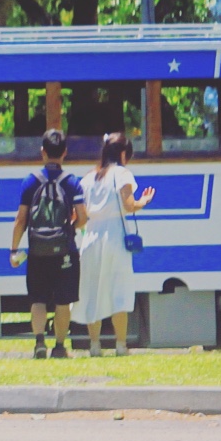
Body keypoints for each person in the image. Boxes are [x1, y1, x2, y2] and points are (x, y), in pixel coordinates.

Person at [9, 129, 87, 358]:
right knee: (63, 302)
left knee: (38, 299)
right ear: (65, 153)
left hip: (36, 251)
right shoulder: (72, 183)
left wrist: (14, 249)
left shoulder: (30, 182)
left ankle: (39, 343)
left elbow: (21, 219)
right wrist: (71, 227)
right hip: (65, 250)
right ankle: (60, 347)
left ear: (42, 152)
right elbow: (83, 216)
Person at [77, 133, 154, 355]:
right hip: (114, 236)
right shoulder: (122, 174)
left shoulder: (88, 178)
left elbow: (80, 212)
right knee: (118, 290)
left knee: (93, 291)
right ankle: (121, 345)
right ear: (122, 154)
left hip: (90, 236)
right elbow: (129, 205)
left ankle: (94, 345)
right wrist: (144, 201)